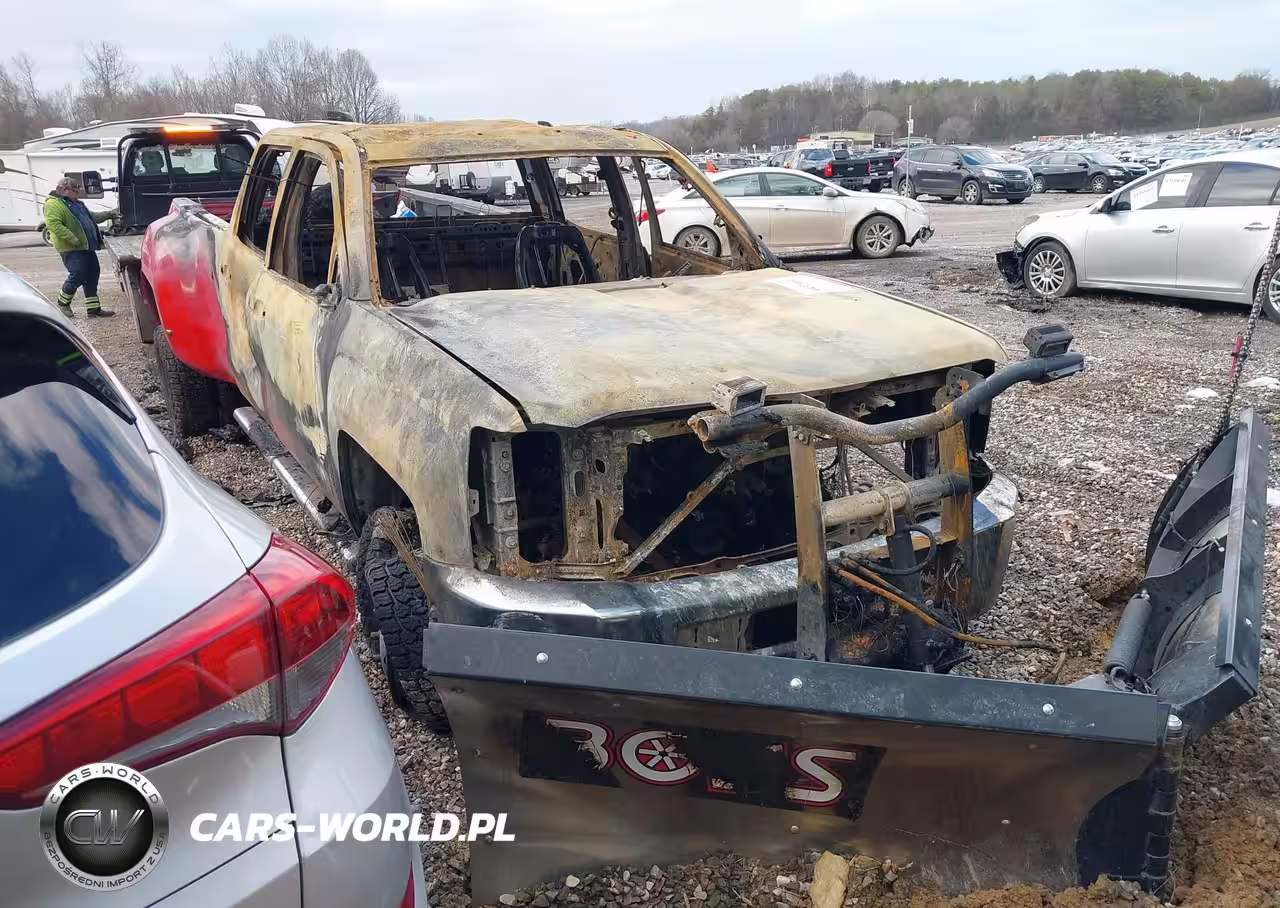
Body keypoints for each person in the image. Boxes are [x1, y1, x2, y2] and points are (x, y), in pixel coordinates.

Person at [43, 176, 116, 317]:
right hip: (72, 248)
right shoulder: (53, 204)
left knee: (92, 275)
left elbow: (90, 217)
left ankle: (93, 309)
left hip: (86, 246)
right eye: (75, 191)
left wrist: (108, 214)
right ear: (64, 189)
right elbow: (54, 225)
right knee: (78, 275)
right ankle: (62, 304)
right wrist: (73, 238)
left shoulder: (75, 203)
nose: (77, 194)